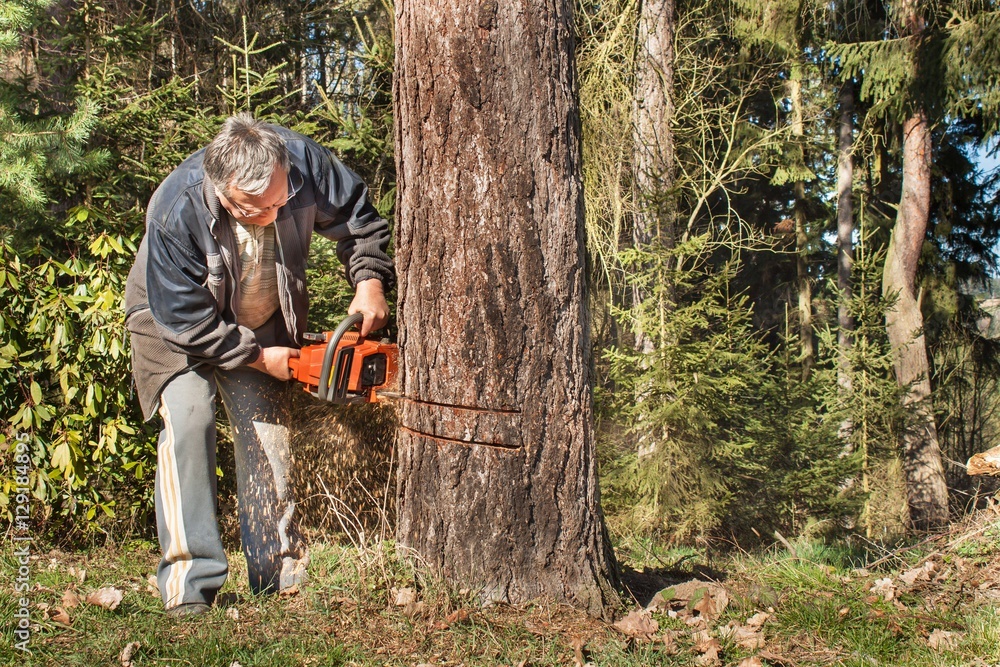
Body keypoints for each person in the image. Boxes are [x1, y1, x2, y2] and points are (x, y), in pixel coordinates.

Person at [124, 113, 393, 618]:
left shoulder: (302, 165)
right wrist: (255, 356)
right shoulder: (175, 209)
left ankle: (280, 575)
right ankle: (190, 584)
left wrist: (370, 280)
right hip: (172, 325)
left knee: (267, 435)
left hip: (261, 315)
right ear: (223, 192)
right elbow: (185, 321)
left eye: (280, 200)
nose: (274, 212)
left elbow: (357, 213)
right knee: (190, 419)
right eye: (256, 207)